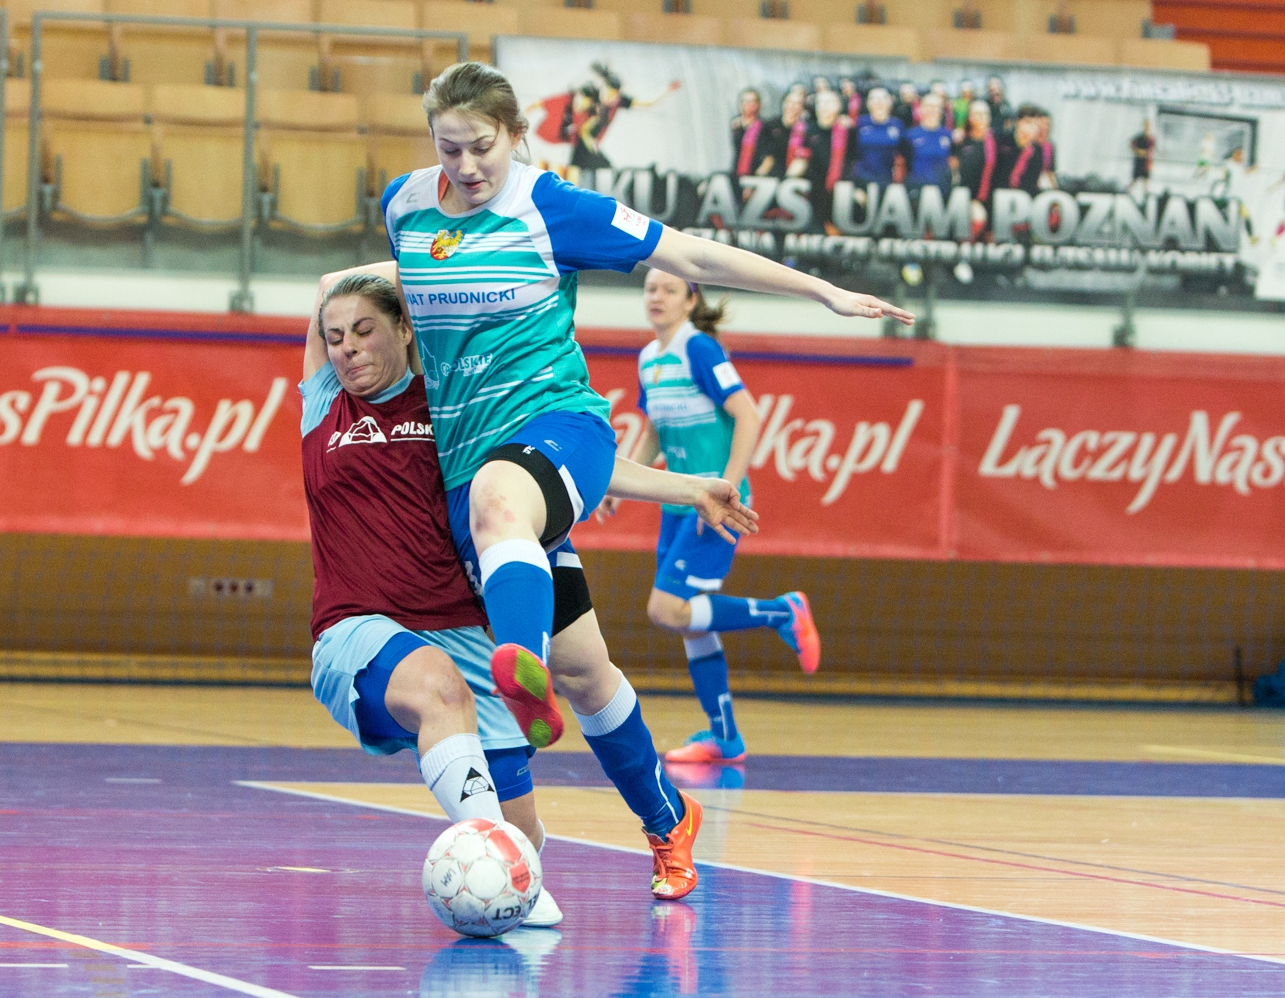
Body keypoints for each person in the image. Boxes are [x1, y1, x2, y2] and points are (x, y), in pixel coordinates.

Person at [342, 60, 910, 899]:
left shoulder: (549, 206)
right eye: (449, 148)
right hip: (463, 465)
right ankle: (667, 816)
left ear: (519, 137)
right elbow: (406, 307)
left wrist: (821, 291)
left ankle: (516, 660)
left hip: (558, 427)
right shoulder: (404, 206)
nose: (466, 168)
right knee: (589, 672)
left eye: (483, 148)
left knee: (507, 505)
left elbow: (686, 251)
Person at [304, 271, 759, 902]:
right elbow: (335, 283)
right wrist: (449, 249)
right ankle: (524, 729)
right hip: (428, 601)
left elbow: (564, 461)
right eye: (336, 336)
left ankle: (668, 822)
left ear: (406, 332)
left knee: (586, 674)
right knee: (520, 834)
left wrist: (688, 487)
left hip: (506, 544)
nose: (348, 346)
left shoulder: (454, 397)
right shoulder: (327, 397)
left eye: (364, 330)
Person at [596, 269, 821, 765]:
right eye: (650, 288)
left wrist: (728, 489)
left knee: (666, 610)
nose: (656, 297)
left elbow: (749, 414)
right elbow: (656, 425)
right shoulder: (650, 357)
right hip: (679, 504)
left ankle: (782, 611)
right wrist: (621, 481)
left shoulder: (699, 348)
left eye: (668, 290)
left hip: (716, 505)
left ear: (690, 300)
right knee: (692, 621)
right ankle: (725, 738)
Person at [804, 87, 854, 229]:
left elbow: (856, 160)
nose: (824, 106)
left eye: (829, 102)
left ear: (839, 106)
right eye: (820, 102)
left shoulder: (848, 131)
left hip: (841, 193)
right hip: (812, 194)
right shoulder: (807, 130)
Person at [956, 98, 998, 239]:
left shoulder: (996, 142)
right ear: (970, 117)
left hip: (991, 201)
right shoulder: (962, 141)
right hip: (965, 200)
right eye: (977, 114)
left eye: (985, 114)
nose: (981, 118)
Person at [902, 91, 954, 200]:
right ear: (921, 109)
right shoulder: (910, 135)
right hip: (916, 192)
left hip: (942, 192)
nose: (933, 110)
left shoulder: (949, 135)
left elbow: (953, 164)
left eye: (936, 107)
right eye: (929, 106)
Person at [852, 85, 904, 191]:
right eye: (874, 98)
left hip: (888, 181)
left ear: (890, 101)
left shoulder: (898, 125)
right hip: (862, 180)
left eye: (883, 98)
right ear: (867, 103)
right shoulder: (858, 123)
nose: (879, 102)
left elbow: (904, 154)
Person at [1129, 118, 1155, 198]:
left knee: (1146, 180)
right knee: (1135, 179)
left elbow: (1151, 150)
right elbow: (1132, 145)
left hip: (1146, 162)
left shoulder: (1151, 139)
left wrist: (1145, 153)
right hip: (1139, 161)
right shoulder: (1138, 138)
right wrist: (1138, 151)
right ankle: (1128, 193)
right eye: (1145, 125)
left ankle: (1146, 196)